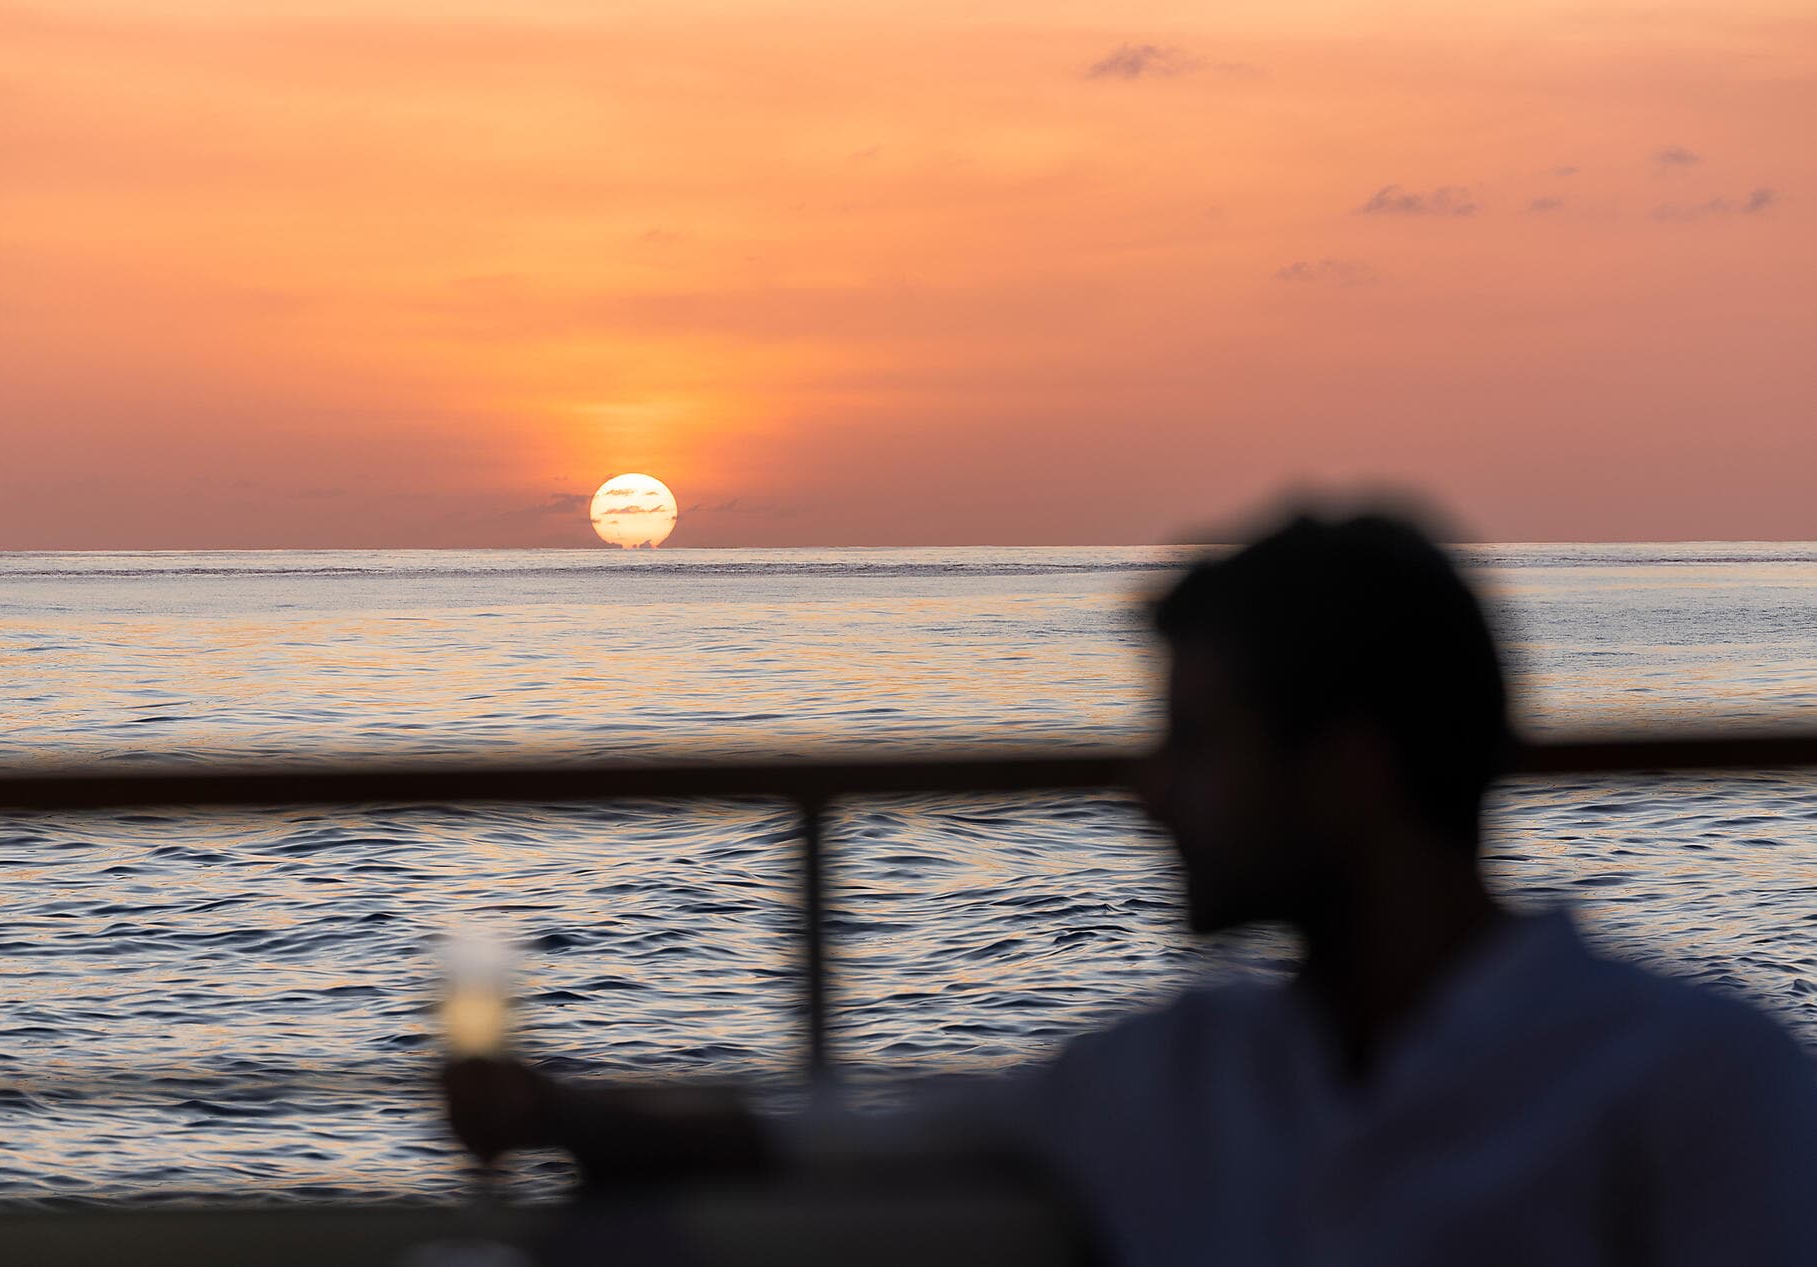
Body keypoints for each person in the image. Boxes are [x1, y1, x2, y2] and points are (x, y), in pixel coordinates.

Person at [444, 510, 1817, 1265]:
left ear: (1348, 768)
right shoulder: (1179, 1076)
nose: (1145, 792)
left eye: (1195, 744)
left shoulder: (1687, 1082)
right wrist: (556, 1110)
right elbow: (859, 1131)